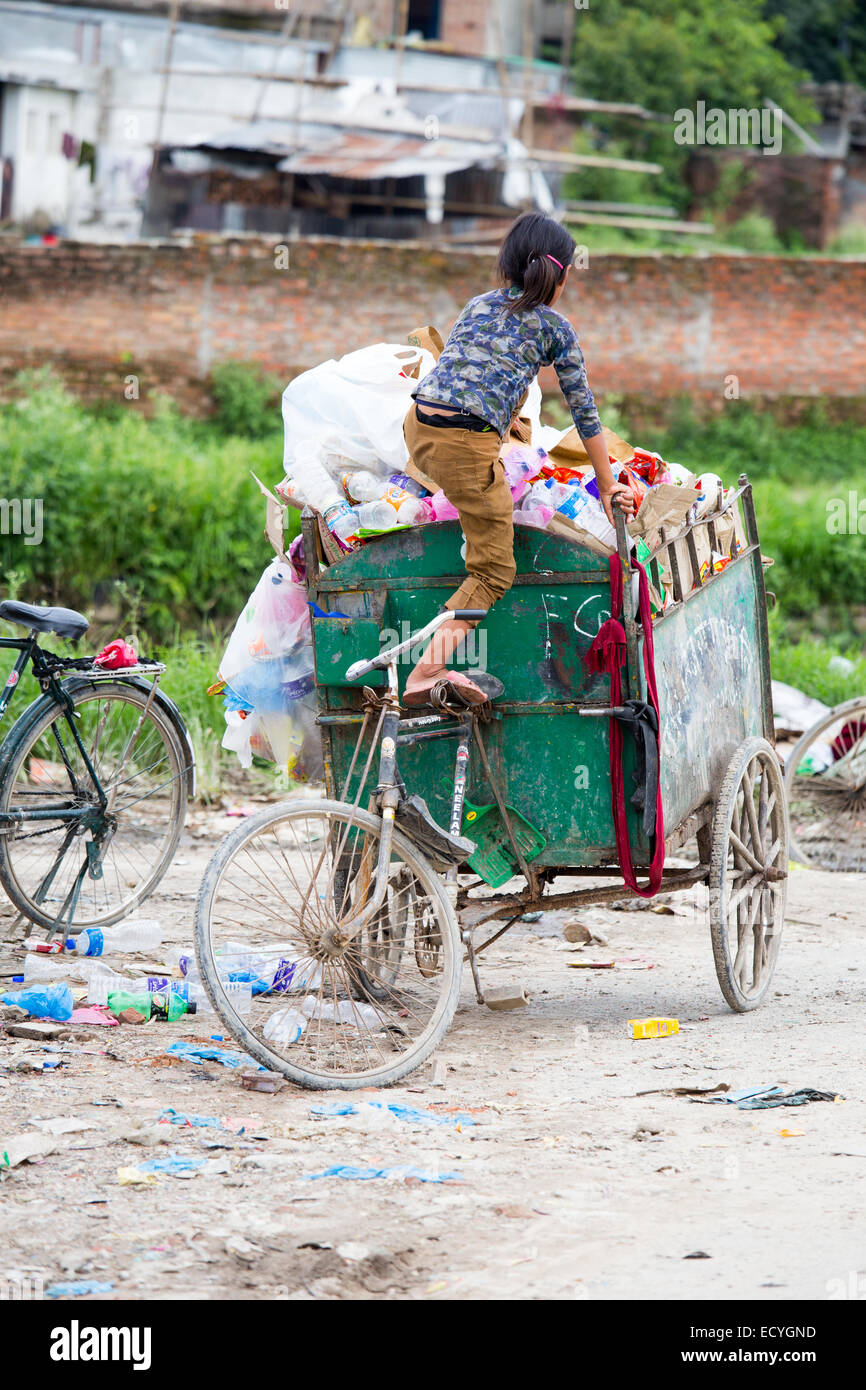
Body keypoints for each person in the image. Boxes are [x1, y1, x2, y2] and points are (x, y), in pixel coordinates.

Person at [402, 210, 635, 707]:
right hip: (462, 446)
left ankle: (467, 514)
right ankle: (426, 672)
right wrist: (609, 482)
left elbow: (468, 376)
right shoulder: (556, 327)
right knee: (493, 571)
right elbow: (585, 414)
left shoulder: (477, 305)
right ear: (561, 273)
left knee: (487, 474)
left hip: (418, 428)